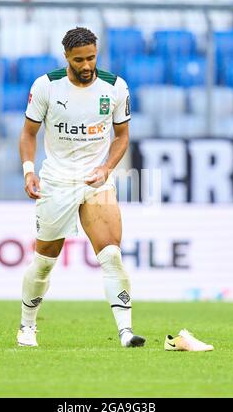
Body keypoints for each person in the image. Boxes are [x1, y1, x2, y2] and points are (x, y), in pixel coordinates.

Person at [17, 27, 145, 348]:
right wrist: (29, 171)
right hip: (57, 180)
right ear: (67, 58)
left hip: (95, 181)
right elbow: (29, 134)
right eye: (79, 60)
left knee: (112, 254)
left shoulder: (115, 88)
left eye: (91, 58)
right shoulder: (46, 86)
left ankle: (125, 332)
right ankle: (27, 326)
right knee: (44, 262)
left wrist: (106, 167)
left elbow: (122, 137)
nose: (86, 65)